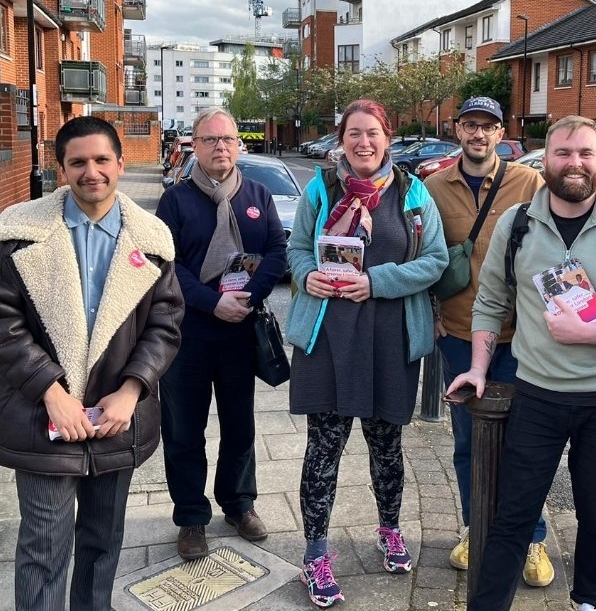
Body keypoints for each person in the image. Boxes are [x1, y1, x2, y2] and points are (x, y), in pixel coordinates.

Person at [449, 116, 596, 611]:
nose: (575, 163)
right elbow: (491, 302)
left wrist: (589, 333)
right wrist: (479, 367)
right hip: (537, 395)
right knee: (512, 516)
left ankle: (589, 602)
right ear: (543, 159)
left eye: (586, 154)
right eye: (563, 153)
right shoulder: (517, 224)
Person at [0, 116, 184, 610]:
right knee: (43, 549)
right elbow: (4, 323)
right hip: (43, 422)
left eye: (102, 159)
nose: (91, 172)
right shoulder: (18, 235)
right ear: (60, 168)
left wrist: (131, 391)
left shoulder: (153, 239)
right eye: (78, 162)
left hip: (114, 423)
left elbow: (165, 326)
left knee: (103, 545)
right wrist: (51, 391)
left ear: (121, 164)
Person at [285, 99, 448, 608]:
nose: (363, 143)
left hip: (389, 340)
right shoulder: (320, 189)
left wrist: (375, 282)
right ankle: (315, 553)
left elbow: (435, 261)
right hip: (329, 340)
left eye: (372, 133)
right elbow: (295, 250)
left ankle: (390, 529)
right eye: (354, 133)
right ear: (342, 139)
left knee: (386, 448)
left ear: (388, 137)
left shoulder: (413, 193)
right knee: (323, 452)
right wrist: (305, 274)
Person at [424, 96, 550, 582]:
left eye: (489, 127)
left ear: (502, 133)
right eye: (471, 125)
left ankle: (531, 539)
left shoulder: (529, 182)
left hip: (521, 337)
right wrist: (432, 312)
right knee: (467, 442)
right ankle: (475, 528)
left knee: (526, 443)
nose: (479, 134)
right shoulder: (434, 187)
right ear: (457, 129)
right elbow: (427, 256)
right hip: (458, 334)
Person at [156, 106, 287, 560]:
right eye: (210, 140)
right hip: (187, 336)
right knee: (184, 430)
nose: (220, 148)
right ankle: (191, 516)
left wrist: (247, 296)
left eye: (227, 139)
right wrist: (213, 302)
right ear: (194, 145)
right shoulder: (175, 200)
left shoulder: (257, 194)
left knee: (239, 425)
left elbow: (276, 250)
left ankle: (238, 503)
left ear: (239, 144)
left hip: (239, 334)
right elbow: (166, 266)